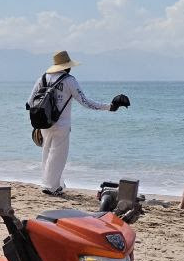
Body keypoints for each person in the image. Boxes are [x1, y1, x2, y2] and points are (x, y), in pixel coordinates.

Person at [29, 51, 128, 197]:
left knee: (47, 153)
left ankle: (51, 183)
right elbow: (86, 102)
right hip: (61, 124)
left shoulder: (42, 78)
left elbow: (30, 102)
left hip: (44, 123)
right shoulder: (69, 80)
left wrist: (36, 123)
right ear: (67, 66)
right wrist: (109, 107)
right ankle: (51, 187)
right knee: (58, 156)